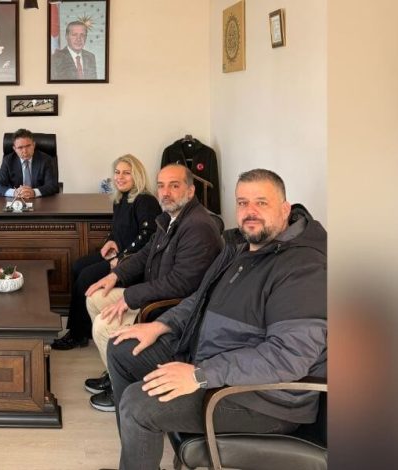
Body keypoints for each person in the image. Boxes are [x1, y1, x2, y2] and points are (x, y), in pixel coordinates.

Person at [107, 169, 327, 470]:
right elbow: (200, 298)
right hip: (210, 358)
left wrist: (199, 374)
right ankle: (138, 457)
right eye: (242, 203)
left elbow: (286, 357)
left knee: (137, 403)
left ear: (285, 209)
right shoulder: (238, 246)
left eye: (261, 203)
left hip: (262, 399)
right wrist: (161, 325)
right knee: (122, 349)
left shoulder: (303, 268)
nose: (250, 212)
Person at [84, 163, 223, 411]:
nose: (165, 192)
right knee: (95, 297)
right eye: (161, 186)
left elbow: (181, 284)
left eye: (174, 186)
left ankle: (121, 390)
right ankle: (115, 370)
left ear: (190, 191)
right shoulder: (170, 218)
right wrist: (115, 276)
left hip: (170, 308)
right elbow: (146, 253)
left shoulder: (197, 226)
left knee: (104, 326)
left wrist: (129, 297)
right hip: (153, 294)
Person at [51, 155, 161, 351]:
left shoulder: (146, 200)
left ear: (137, 175)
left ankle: (77, 334)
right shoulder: (120, 199)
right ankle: (83, 328)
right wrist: (110, 240)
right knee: (77, 266)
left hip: (132, 262)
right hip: (118, 254)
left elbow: (148, 236)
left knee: (86, 277)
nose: (120, 177)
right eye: (117, 172)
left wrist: (121, 259)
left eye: (126, 173)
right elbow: (117, 229)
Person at [0, 128, 59, 199]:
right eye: (20, 147)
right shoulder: (8, 161)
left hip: (39, 200)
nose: (25, 151)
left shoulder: (46, 160)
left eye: (28, 146)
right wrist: (14, 192)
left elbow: (52, 185)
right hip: (16, 201)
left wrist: (34, 192)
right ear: (14, 149)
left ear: (34, 145)